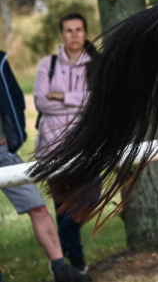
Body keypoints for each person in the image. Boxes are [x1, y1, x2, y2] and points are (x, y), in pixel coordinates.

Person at [1, 50, 90, 282]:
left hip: (2, 152)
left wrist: (11, 134)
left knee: (38, 206)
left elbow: (16, 100)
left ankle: (61, 268)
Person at [33, 14, 94, 276]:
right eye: (68, 30)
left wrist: (62, 96)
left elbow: (96, 102)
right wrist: (79, 100)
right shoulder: (48, 64)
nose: (74, 35)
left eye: (79, 30)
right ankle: (75, 263)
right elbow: (40, 102)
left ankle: (60, 247)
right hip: (53, 146)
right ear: (61, 35)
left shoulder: (96, 65)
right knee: (62, 206)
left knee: (90, 199)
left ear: (86, 33)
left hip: (85, 146)